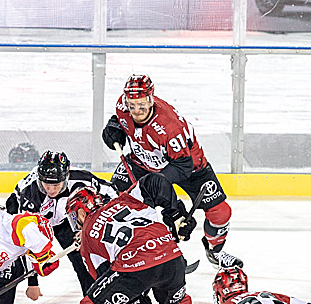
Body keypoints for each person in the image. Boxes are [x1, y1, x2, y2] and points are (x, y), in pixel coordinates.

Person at [47, 173, 200, 304]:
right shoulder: (126, 199)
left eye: (74, 216)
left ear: (81, 210)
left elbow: (103, 277)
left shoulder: (88, 239)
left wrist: (133, 301)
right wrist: (174, 212)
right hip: (172, 258)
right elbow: (155, 182)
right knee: (176, 302)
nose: (75, 222)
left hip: (134, 267)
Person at [101, 73, 242, 270]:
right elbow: (120, 120)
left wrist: (171, 205)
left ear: (151, 99)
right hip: (142, 161)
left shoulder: (169, 127)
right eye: (132, 105)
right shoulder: (123, 106)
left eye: (142, 105)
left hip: (190, 166)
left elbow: (182, 165)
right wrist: (114, 128)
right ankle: (123, 253)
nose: (136, 111)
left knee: (220, 212)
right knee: (114, 202)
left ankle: (215, 251)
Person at [0, 151, 119, 304]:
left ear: (66, 177)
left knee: (85, 264)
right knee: (11, 265)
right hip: (30, 220)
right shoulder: (30, 194)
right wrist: (32, 281)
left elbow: (113, 195)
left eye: (56, 184)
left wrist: (89, 227)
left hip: (66, 218)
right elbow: (28, 243)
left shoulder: (82, 180)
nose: (50, 189)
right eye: (46, 184)